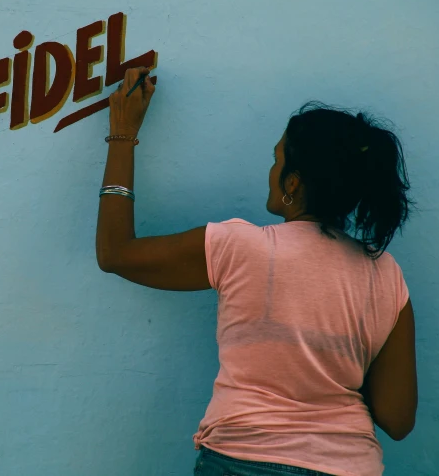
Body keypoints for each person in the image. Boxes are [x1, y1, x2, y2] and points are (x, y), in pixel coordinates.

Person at [96, 67, 418, 476]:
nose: (270, 172)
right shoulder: (385, 275)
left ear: (294, 183)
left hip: (243, 460)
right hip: (350, 466)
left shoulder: (241, 247)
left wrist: (123, 134)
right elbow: (397, 418)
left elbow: (115, 253)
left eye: (276, 160)